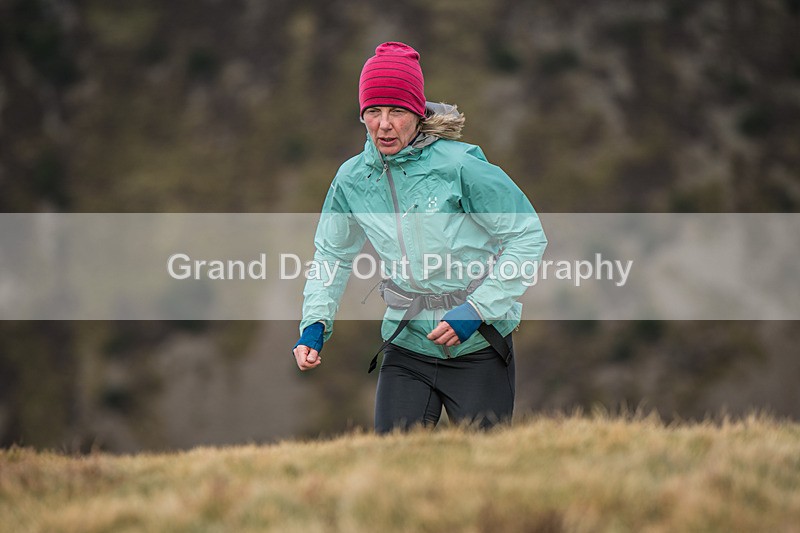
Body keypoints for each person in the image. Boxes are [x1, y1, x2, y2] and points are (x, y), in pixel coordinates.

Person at [292, 41, 547, 433]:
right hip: (406, 344)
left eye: (396, 111)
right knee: (393, 471)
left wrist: (477, 310)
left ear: (417, 112)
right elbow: (332, 255)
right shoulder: (352, 179)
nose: (384, 124)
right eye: (373, 111)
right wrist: (314, 323)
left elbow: (527, 236)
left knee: (484, 478)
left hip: (477, 347)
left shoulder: (461, 166)